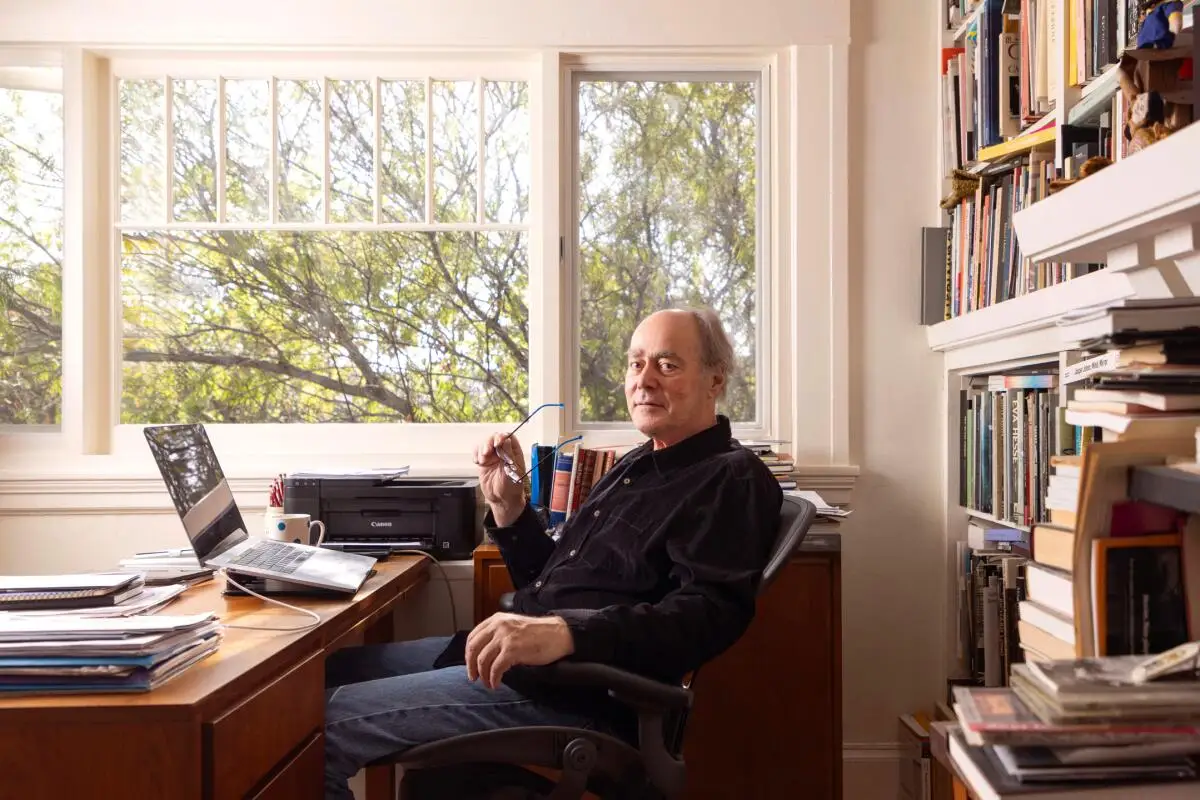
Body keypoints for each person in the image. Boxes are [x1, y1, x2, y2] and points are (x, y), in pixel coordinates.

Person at [323, 307, 783, 799]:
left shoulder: (730, 477)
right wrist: (510, 508)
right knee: (310, 683)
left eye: (667, 365)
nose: (644, 380)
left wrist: (567, 633)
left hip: (578, 693)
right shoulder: (637, 463)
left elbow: (706, 616)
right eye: (635, 363)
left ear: (715, 380)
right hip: (518, 665)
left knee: (315, 731)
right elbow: (552, 584)